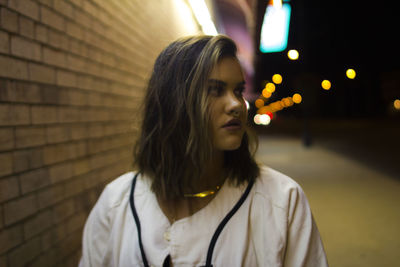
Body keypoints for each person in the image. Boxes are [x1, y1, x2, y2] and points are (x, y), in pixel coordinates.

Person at [79, 35, 328, 267]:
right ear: (174, 104)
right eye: (215, 90)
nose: (236, 105)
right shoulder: (117, 202)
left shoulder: (282, 201)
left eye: (238, 91)